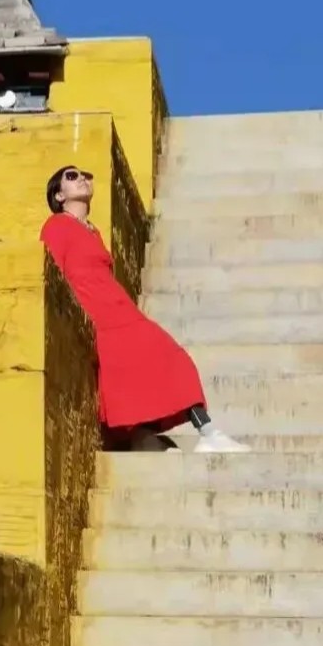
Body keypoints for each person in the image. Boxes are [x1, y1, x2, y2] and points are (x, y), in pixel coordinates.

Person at [41, 166, 246, 451]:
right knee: (159, 360)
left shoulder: (93, 231)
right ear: (59, 195)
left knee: (164, 362)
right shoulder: (56, 226)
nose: (82, 179)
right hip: (99, 313)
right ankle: (204, 433)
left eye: (86, 175)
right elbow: (53, 274)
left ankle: (185, 434)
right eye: (72, 176)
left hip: (120, 309)